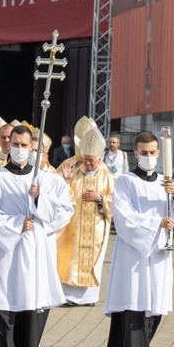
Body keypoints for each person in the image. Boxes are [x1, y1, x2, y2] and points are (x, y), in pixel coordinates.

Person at [0, 125, 73, 347]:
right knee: (1, 311)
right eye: (14, 144)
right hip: (3, 253)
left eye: (23, 144)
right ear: (9, 146)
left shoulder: (45, 180)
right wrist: (18, 223)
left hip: (31, 254)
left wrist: (40, 199)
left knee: (25, 310)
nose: (18, 148)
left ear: (32, 148)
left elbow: (62, 212)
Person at [101, 131, 174, 347]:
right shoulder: (125, 181)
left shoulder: (166, 184)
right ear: (135, 154)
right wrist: (157, 222)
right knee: (134, 308)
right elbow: (123, 216)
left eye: (153, 152)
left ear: (159, 153)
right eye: (143, 152)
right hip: (134, 255)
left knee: (154, 310)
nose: (148, 156)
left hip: (158, 256)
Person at [56, 128, 114, 306]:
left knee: (92, 260)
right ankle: (70, 296)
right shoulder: (72, 170)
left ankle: (89, 298)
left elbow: (116, 200)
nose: (87, 163)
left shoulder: (107, 176)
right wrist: (65, 181)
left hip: (96, 225)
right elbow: (56, 192)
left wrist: (101, 198)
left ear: (99, 159)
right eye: (86, 159)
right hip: (73, 224)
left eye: (91, 160)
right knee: (70, 257)